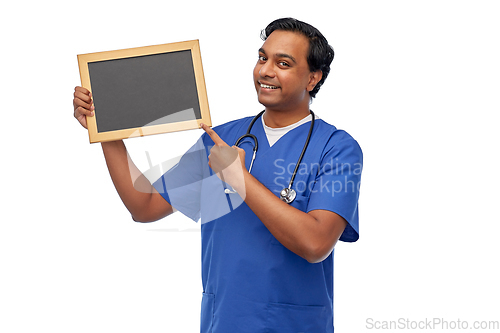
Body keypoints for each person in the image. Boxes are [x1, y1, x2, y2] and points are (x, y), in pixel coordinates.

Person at [73, 17, 362, 333]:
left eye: (283, 63)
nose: (265, 71)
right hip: (224, 322)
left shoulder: (337, 148)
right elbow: (144, 207)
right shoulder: (222, 139)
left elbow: (315, 243)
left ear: (313, 78)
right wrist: (105, 130)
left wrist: (239, 178)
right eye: (262, 57)